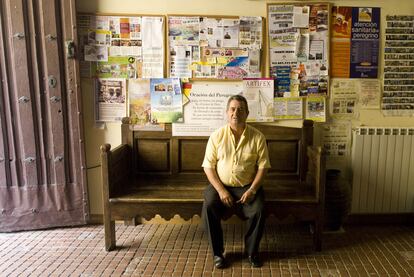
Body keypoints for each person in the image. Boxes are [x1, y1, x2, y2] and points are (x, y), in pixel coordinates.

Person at [201, 95, 271, 269]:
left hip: (248, 186)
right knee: (208, 205)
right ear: (227, 113)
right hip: (221, 186)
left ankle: (251, 252)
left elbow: (263, 167)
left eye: (240, 109)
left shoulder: (258, 137)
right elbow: (208, 167)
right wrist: (221, 191)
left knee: (259, 209)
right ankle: (218, 253)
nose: (236, 113)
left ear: (247, 113)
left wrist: (253, 190)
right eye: (232, 109)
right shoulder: (216, 136)